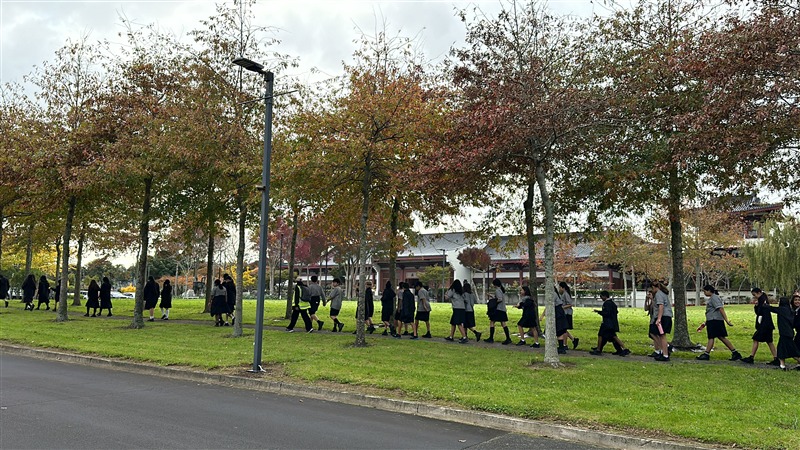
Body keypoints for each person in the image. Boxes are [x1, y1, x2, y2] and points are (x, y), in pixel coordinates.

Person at [695, 285, 742, 361]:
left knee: (712, 337)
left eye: (705, 291)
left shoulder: (714, 298)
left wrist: (726, 320)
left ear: (709, 290)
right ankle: (735, 353)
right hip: (712, 320)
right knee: (721, 337)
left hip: (715, 321)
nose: (704, 293)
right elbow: (711, 312)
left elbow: (721, 309)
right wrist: (704, 324)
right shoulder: (713, 298)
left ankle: (706, 354)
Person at [741, 287, 779, 365]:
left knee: (756, 339)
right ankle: (776, 358)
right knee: (769, 341)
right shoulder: (763, 300)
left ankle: (751, 357)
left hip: (764, 324)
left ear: (758, 293)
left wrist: (756, 306)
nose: (754, 297)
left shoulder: (762, 301)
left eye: (754, 295)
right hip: (767, 324)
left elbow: (760, 312)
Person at [590, 291, 630, 356]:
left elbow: (606, 313)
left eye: (601, 296)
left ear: (605, 296)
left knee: (601, 335)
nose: (601, 298)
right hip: (612, 323)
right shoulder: (612, 303)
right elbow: (615, 311)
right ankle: (621, 349)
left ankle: (598, 350)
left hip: (607, 323)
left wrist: (599, 312)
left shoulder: (606, 303)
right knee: (612, 337)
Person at [767, 297, 800, 370]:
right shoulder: (791, 310)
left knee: (792, 351)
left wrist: (764, 304)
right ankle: (782, 365)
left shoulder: (782, 310)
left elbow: (771, 308)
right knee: (781, 349)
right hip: (789, 333)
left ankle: (783, 365)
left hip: (785, 333)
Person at [540, 282, 571, 354]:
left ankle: (561, 348)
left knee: (559, 330)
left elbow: (549, 306)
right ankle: (561, 347)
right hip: (559, 312)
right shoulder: (554, 294)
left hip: (558, 313)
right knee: (559, 330)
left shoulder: (552, 295)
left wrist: (542, 315)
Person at [649, 281, 673, 362]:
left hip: (663, 317)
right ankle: (664, 352)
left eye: (652, 289)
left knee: (662, 335)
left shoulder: (659, 294)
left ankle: (665, 354)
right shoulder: (663, 293)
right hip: (666, 316)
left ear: (654, 287)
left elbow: (661, 306)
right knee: (659, 335)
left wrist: (659, 319)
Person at [486, 279, 512, 345]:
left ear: (495, 284)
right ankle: (508, 338)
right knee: (503, 323)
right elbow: (498, 297)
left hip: (498, 309)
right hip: (502, 309)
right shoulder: (501, 290)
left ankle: (491, 338)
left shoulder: (497, 290)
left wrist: (493, 302)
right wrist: (491, 296)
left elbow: (499, 299)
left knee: (492, 322)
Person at [560, 282, 579, 349]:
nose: (559, 289)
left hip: (567, 313)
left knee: (564, 329)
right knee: (563, 329)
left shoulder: (566, 294)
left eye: (560, 287)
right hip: (565, 313)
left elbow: (570, 304)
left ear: (563, 288)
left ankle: (565, 345)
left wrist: (562, 307)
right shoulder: (564, 294)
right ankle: (573, 340)